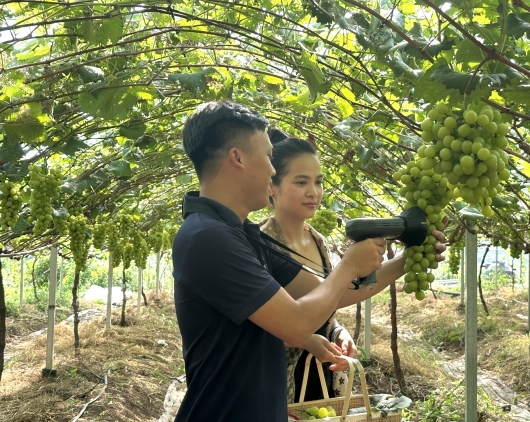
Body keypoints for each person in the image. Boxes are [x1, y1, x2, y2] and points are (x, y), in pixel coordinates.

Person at [173, 100, 447, 421]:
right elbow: (295, 323)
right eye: (267, 157)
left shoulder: (241, 235)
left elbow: (332, 293)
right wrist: (348, 266)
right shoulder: (208, 238)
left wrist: (403, 262)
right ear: (238, 157)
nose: (273, 170)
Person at [260, 132, 356, 403]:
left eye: (318, 182)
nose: (313, 192)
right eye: (301, 182)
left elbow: (326, 305)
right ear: (272, 187)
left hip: (321, 372)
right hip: (281, 381)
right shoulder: (262, 244)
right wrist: (303, 340)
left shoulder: (318, 240)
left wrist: (338, 332)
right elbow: (256, 328)